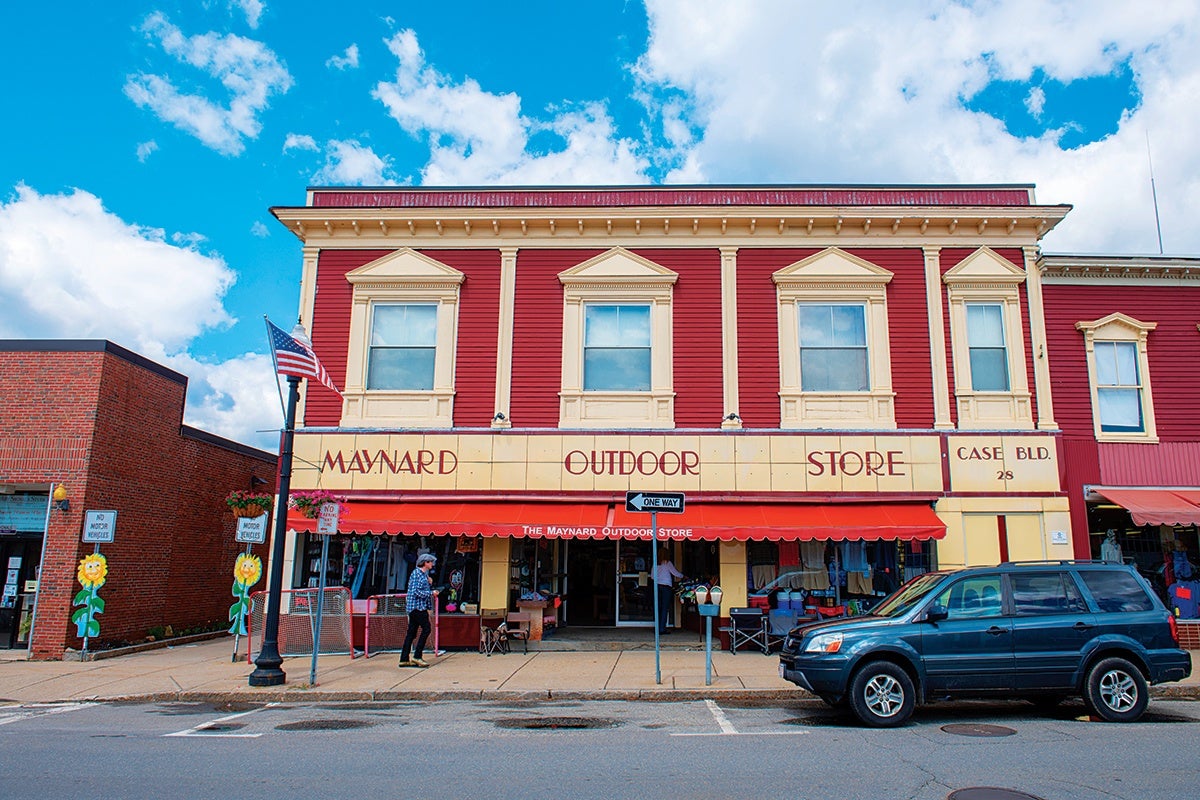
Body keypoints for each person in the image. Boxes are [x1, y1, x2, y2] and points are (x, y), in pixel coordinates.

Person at [399, 553, 439, 667]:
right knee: (426, 629)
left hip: (417, 606)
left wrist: (429, 583)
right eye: (430, 562)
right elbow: (416, 591)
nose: (432, 564)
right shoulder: (417, 574)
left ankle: (404, 658)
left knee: (411, 632)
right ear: (425, 562)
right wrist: (432, 593)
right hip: (417, 607)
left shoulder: (423, 574)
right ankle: (417, 656)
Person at [652, 549, 684, 635]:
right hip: (666, 587)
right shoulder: (667, 563)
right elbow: (675, 573)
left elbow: (652, 576)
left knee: (658, 607)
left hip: (657, 586)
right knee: (665, 608)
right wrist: (683, 576)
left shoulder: (655, 563)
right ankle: (662, 629)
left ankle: (657, 628)